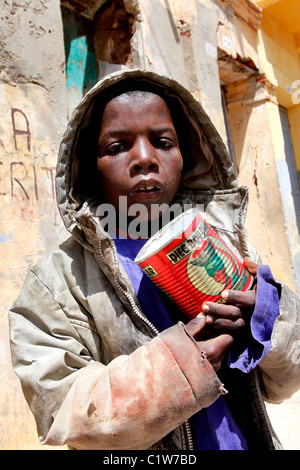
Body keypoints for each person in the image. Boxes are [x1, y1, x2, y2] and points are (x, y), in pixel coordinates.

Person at [9, 68, 300, 450]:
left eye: (163, 142)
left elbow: (282, 385)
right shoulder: (56, 283)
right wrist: (176, 368)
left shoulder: (225, 244)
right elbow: (61, 413)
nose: (144, 159)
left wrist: (268, 323)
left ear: (187, 156)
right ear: (89, 166)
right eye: (116, 147)